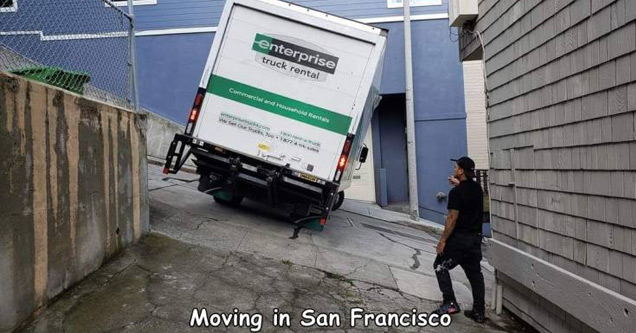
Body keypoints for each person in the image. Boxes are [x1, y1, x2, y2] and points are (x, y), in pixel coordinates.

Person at [432, 156, 486, 323]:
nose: (454, 169)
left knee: (440, 266)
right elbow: (468, 195)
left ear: (461, 171)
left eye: (456, 167)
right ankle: (479, 311)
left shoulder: (456, 193)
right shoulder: (477, 189)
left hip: (460, 239)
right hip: (475, 239)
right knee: (475, 273)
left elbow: (452, 218)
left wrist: (442, 240)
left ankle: (450, 303)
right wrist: (458, 185)